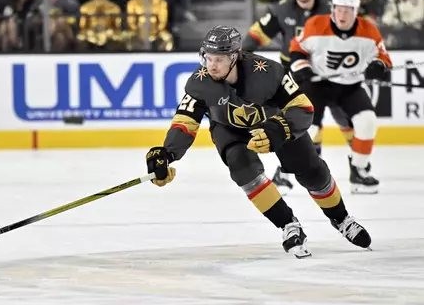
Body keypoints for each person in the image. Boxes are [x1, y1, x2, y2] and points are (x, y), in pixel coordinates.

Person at [146, 25, 371, 258]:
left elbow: (303, 107)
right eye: (208, 58)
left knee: (311, 170)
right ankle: (288, 225)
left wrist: (280, 129)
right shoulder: (200, 82)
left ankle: (341, 218)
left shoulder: (268, 72)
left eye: (219, 59)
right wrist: (166, 153)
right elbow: (185, 122)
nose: (211, 65)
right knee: (241, 165)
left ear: (234, 57)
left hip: (275, 123)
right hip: (229, 128)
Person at [242, 0, 353, 195]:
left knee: (346, 116)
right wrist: (242, 57)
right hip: (294, 76)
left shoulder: (329, 10)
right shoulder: (282, 10)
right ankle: (298, 169)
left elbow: (348, 36)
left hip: (327, 75)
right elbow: (256, 34)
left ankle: (357, 162)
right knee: (304, 120)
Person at [289, 0, 392, 194]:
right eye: (339, 9)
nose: (342, 15)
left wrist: (378, 67)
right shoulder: (316, 24)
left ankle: (359, 172)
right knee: (309, 128)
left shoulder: (369, 30)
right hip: (317, 85)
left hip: (349, 86)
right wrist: (303, 70)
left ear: (356, 11)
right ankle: (289, 170)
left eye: (348, 10)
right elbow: (296, 50)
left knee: (367, 121)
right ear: (332, 9)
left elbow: (384, 60)